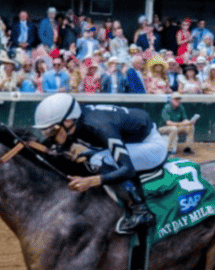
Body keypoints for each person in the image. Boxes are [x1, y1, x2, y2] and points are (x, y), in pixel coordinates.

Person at [32, 92, 167, 232]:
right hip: (134, 140)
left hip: (152, 146)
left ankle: (141, 211)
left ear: (68, 121)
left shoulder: (100, 125)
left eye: (52, 131)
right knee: (89, 154)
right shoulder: (77, 120)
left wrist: (90, 181)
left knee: (99, 158)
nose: (50, 136)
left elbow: (127, 169)